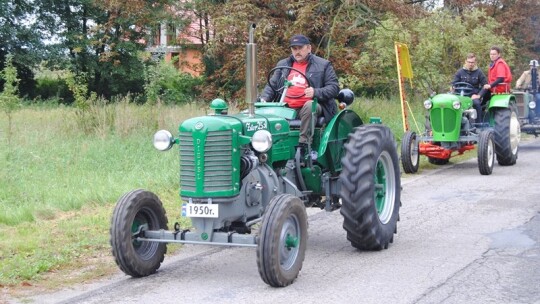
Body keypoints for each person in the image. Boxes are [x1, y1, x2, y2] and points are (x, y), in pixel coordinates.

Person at [260, 34, 340, 153]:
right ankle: (264, 147)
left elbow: (334, 88)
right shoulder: (283, 65)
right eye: (294, 49)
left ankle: (304, 146)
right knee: (260, 111)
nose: (297, 52)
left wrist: (315, 92)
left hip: (311, 107)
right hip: (285, 108)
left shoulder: (323, 65)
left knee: (309, 106)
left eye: (300, 48)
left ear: (309, 48)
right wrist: (264, 99)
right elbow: (272, 86)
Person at [473, 46, 513, 123]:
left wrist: (490, 85)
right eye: (491, 54)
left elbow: (501, 78)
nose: (492, 56)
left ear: (499, 54)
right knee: (479, 97)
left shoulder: (500, 63)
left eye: (494, 54)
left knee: (480, 97)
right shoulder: (494, 63)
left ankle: (479, 120)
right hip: (494, 88)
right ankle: (479, 116)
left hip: (499, 89)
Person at [451, 53, 487, 119]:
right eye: (469, 62)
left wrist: (478, 95)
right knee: (452, 104)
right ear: (465, 61)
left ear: (475, 62)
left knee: (476, 103)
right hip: (460, 95)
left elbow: (485, 86)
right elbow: (454, 83)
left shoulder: (479, 72)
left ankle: (478, 124)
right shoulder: (460, 72)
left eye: (472, 62)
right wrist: (452, 88)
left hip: (473, 95)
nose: (470, 64)